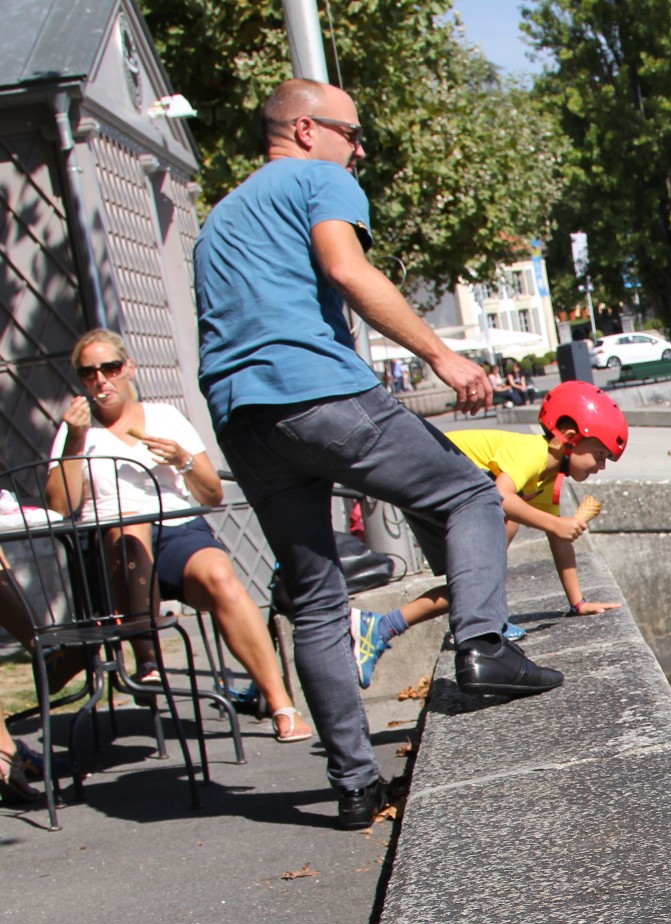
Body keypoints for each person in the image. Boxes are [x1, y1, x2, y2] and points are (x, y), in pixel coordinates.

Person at [193, 77, 562, 829]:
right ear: (304, 130)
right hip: (316, 391)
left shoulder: (217, 222)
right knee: (467, 494)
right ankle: (486, 644)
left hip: (242, 420)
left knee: (317, 599)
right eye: (352, 134)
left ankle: (356, 787)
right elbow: (347, 270)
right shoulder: (321, 179)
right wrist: (444, 357)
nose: (358, 150)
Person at [45, 330, 313, 743]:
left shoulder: (165, 417)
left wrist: (182, 459)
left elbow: (211, 494)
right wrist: (75, 443)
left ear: (128, 368)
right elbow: (60, 506)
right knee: (130, 524)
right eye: (88, 373)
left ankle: (280, 702)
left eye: (110, 368)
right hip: (107, 548)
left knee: (221, 576)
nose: (101, 380)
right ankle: (146, 653)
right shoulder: (74, 433)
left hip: (176, 532)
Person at [352, 382, 627, 688]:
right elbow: (500, 496)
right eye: (599, 455)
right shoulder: (532, 453)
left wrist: (578, 602)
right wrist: (554, 524)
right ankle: (383, 626)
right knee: (489, 556)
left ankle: (387, 626)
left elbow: (559, 540)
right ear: (571, 439)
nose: (601, 466)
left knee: (474, 580)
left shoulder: (547, 476)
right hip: (430, 479)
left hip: (430, 485)